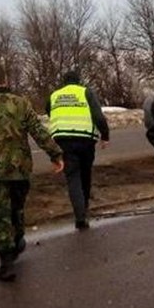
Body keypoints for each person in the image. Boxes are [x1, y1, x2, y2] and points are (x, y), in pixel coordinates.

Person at [0, 63, 64, 282]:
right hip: (19, 169)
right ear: (5, 79)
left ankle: (6, 261)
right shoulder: (20, 104)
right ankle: (17, 239)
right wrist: (55, 154)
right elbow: (38, 131)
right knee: (16, 208)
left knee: (0, 215)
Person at [46, 71, 109, 231]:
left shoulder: (55, 95)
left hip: (64, 141)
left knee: (73, 177)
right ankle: (84, 207)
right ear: (78, 81)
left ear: (64, 82)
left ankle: (80, 216)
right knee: (85, 174)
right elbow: (98, 116)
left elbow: (48, 110)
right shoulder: (85, 92)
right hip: (85, 140)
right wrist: (105, 135)